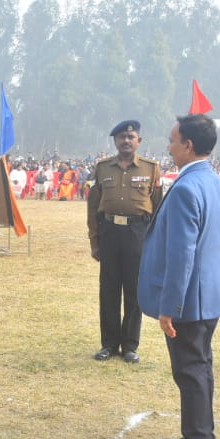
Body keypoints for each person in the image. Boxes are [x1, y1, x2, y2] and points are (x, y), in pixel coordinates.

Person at [138, 114, 220, 439]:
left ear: (188, 145)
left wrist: (169, 307)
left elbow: (181, 255)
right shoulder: (213, 181)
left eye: (173, 140)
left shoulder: (188, 188)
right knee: (200, 368)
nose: (169, 146)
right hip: (209, 294)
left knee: (190, 371)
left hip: (190, 299)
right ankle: (199, 434)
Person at [87, 119, 162, 363]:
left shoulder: (151, 168)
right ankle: (108, 344)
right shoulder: (102, 168)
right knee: (108, 289)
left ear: (139, 141)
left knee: (134, 290)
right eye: (121, 137)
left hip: (138, 233)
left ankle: (130, 345)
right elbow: (93, 207)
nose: (126, 141)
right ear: (115, 141)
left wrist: (155, 243)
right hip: (109, 231)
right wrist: (95, 241)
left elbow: (158, 208)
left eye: (131, 137)